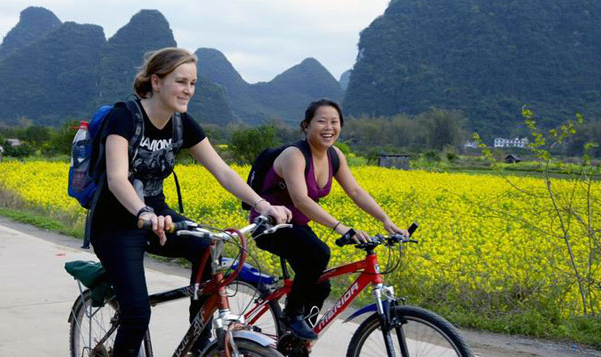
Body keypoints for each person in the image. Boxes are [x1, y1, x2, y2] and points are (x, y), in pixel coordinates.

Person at [88, 47, 291, 357]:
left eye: (193, 83)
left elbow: (222, 171)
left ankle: (197, 346)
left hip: (159, 216)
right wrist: (143, 212)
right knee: (138, 314)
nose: (188, 90)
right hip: (116, 224)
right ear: (156, 82)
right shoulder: (124, 117)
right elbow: (117, 178)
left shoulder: (182, 123)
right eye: (181, 81)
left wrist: (262, 204)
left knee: (208, 249)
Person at [249, 99, 409, 341]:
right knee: (319, 254)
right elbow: (301, 200)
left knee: (321, 285)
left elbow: (355, 191)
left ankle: (299, 343)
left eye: (334, 122)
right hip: (270, 226)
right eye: (321, 121)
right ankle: (291, 315)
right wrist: (341, 227)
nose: (329, 127)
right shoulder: (295, 155)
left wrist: (385, 219)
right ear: (306, 125)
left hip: (298, 226)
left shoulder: (335, 156)